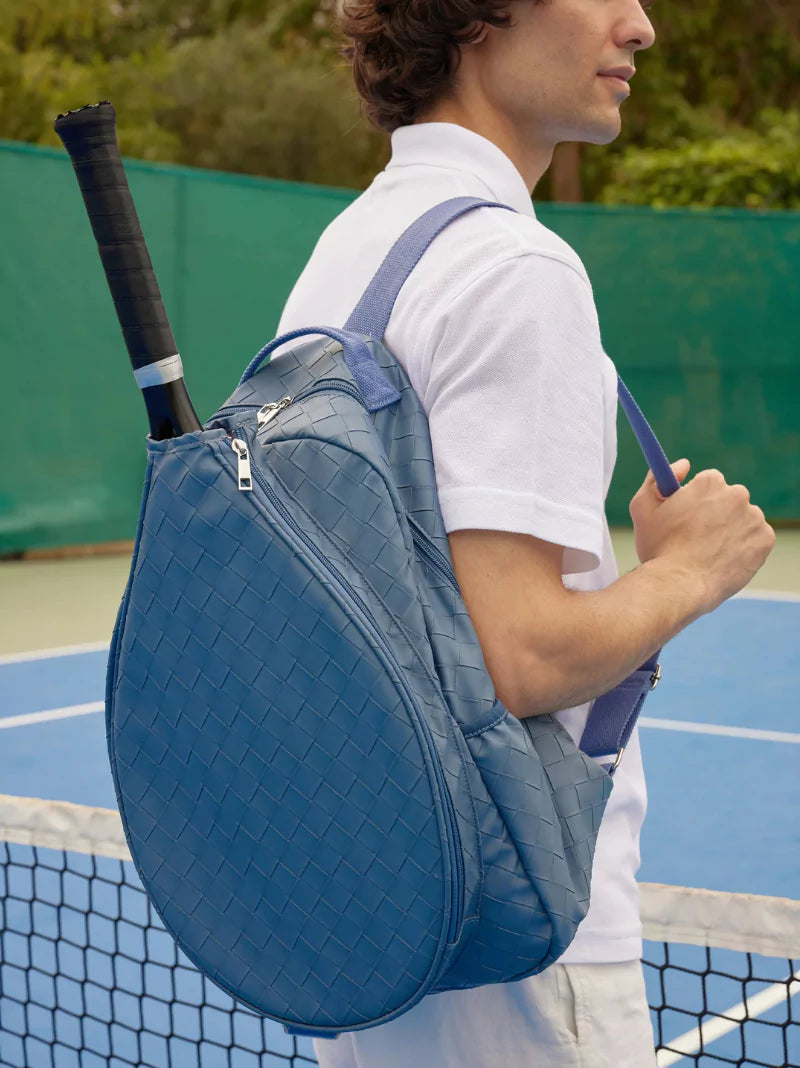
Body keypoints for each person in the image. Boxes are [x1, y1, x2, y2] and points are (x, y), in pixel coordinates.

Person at [274, 2, 776, 1065]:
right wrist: (687, 572)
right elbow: (520, 657)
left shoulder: (358, 238)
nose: (638, 28)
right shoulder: (514, 268)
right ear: (474, 18)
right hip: (514, 933)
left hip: (372, 907)